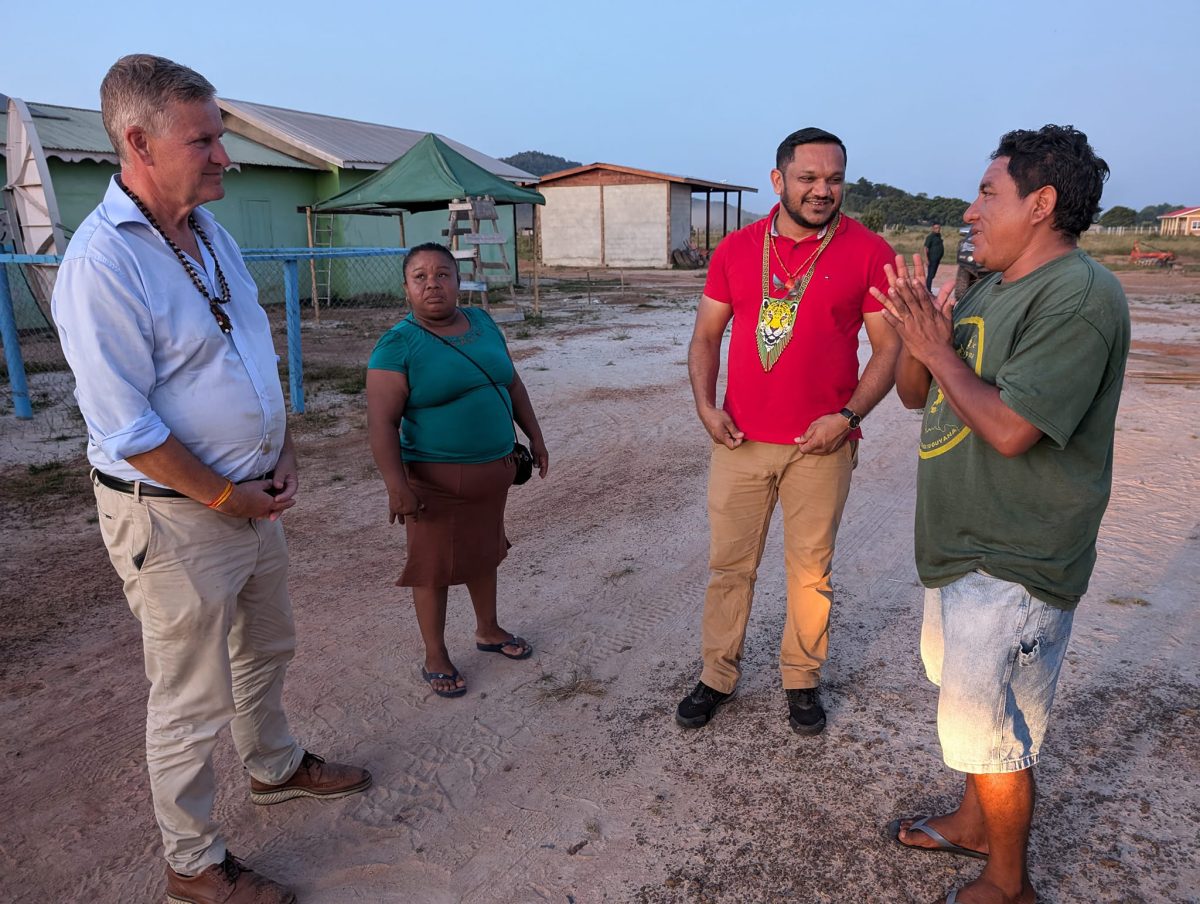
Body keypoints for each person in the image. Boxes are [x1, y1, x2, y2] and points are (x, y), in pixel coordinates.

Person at [51, 55, 371, 904]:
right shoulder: (101, 265)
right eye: (204, 139)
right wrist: (230, 495)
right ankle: (191, 864)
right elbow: (127, 428)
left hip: (249, 495)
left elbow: (250, 353)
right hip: (177, 516)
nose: (223, 154)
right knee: (191, 695)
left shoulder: (209, 231)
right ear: (138, 141)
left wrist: (282, 447)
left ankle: (272, 767)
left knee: (266, 646)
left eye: (220, 133)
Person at [874, 125, 1128, 904]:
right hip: (959, 544)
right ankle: (972, 822)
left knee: (995, 731)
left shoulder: (1079, 298)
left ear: (1042, 204)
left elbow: (1015, 431)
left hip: (1015, 559)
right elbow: (918, 395)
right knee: (968, 705)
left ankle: (1009, 883)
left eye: (989, 192)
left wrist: (937, 347)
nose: (970, 209)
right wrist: (919, 327)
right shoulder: (989, 283)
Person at [676, 127, 900, 735]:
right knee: (730, 566)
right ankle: (717, 675)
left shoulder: (869, 252)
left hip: (821, 445)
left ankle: (802, 680)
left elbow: (887, 349)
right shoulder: (737, 249)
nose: (822, 190)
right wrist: (704, 405)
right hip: (740, 442)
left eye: (834, 179)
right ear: (779, 181)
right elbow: (705, 336)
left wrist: (848, 418)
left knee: (810, 571)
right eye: (808, 178)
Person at [366, 243, 548, 699]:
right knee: (433, 568)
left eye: (443, 274)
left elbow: (511, 382)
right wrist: (397, 486)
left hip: (495, 471)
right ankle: (435, 655)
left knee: (484, 552)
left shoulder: (482, 323)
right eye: (421, 277)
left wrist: (535, 437)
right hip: (434, 481)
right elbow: (382, 423)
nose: (433, 284)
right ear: (406, 288)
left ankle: (488, 629)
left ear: (457, 279)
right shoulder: (398, 344)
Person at [923, 223, 944, 292]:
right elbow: (926, 247)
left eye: (938, 228)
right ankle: (928, 289)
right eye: (936, 228)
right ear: (933, 229)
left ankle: (928, 288)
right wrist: (926, 259)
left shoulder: (938, 236)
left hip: (937, 258)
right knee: (930, 274)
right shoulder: (930, 237)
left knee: (933, 274)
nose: (938, 229)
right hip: (932, 258)